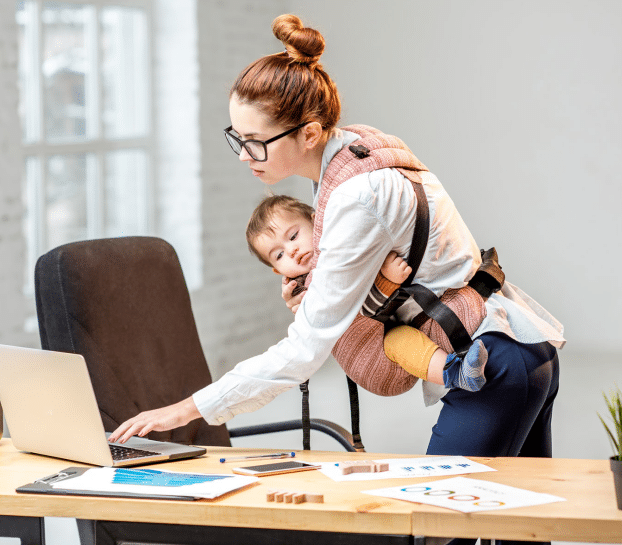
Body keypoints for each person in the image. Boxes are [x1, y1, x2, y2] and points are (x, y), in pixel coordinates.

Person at [110, 13, 565, 545]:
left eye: (256, 142)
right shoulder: (361, 149)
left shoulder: (353, 198)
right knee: (520, 533)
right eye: (237, 137)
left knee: (435, 534)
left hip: (493, 363)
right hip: (523, 346)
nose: (244, 156)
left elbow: (305, 352)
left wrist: (188, 408)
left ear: (308, 132)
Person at [245, 193, 488, 392]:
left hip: (390, 323)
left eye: (293, 236)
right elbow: (359, 310)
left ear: (316, 222)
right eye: (278, 255)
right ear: (277, 271)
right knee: (399, 339)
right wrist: (386, 282)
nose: (292, 251)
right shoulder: (305, 290)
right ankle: (456, 373)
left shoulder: (341, 252)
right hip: (375, 358)